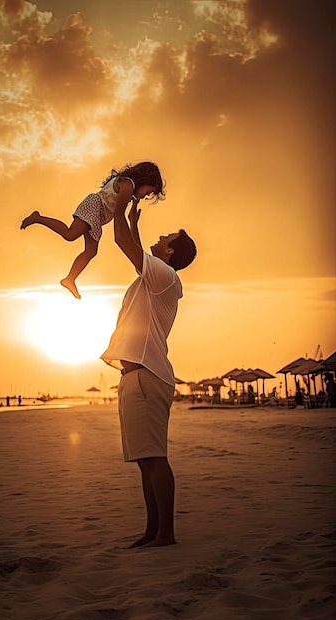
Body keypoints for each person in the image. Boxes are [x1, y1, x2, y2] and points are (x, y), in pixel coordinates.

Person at [101, 189, 197, 548]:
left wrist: (123, 201)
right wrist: (130, 220)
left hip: (147, 375)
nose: (160, 238)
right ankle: (152, 531)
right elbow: (131, 246)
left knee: (155, 457)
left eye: (165, 238)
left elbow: (125, 245)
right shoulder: (152, 277)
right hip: (133, 377)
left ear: (170, 252)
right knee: (145, 459)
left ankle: (166, 534)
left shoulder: (166, 278)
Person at [20, 162, 165, 299]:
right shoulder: (128, 185)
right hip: (94, 207)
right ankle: (38, 218)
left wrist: (132, 214)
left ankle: (70, 279)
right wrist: (126, 237)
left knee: (91, 251)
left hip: (98, 216)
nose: (145, 196)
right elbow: (118, 215)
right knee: (70, 234)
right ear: (145, 180)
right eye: (148, 192)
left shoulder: (127, 185)